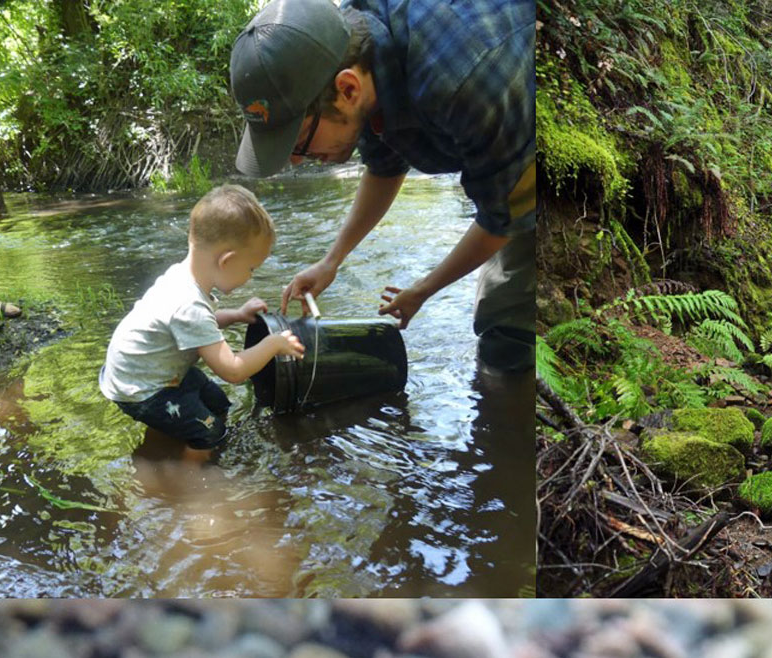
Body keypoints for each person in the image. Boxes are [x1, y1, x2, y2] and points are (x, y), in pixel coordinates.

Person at [228, 0, 535, 372]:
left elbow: (503, 217)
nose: (294, 162)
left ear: (349, 89)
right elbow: (385, 166)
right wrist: (331, 261)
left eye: (297, 143)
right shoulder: (355, 45)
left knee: (507, 323)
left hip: (528, 104)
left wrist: (423, 290)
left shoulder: (468, 81)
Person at [99, 185, 304, 458]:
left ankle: (169, 433)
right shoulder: (188, 303)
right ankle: (189, 485)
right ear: (227, 261)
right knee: (212, 433)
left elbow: (199, 326)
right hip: (142, 390)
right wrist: (273, 344)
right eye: (251, 268)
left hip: (147, 370)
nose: (251, 276)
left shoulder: (184, 278)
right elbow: (233, 370)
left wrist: (237, 314)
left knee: (218, 404)